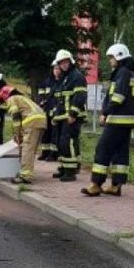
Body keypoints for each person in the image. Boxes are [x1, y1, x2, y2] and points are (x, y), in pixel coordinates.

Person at [83, 44, 134, 197]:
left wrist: (105, 113)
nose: (110, 61)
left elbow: (118, 97)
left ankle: (96, 184)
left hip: (117, 120)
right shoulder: (129, 73)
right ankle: (116, 185)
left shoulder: (122, 73)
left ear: (119, 57)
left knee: (103, 149)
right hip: (127, 121)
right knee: (120, 152)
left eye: (112, 58)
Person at [0, 86, 47, 184]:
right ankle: (26, 171)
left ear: (5, 96)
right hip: (41, 121)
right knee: (31, 148)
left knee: (27, 148)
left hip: (32, 121)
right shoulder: (23, 98)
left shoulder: (12, 99)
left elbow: (16, 117)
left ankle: (25, 176)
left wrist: (17, 134)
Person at [52, 50, 87, 182]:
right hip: (62, 116)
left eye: (66, 62)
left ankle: (71, 171)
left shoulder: (76, 76)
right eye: (61, 63)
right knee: (61, 143)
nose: (64, 65)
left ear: (70, 62)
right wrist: (56, 116)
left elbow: (80, 96)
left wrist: (73, 113)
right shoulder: (64, 77)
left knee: (68, 142)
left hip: (71, 116)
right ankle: (64, 168)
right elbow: (59, 99)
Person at [36, 64, 62, 162]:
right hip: (46, 111)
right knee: (45, 133)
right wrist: (42, 102)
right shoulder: (47, 82)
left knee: (54, 133)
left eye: (59, 69)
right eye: (55, 69)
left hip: (56, 112)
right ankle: (45, 152)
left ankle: (53, 154)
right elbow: (41, 95)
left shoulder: (62, 82)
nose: (57, 71)